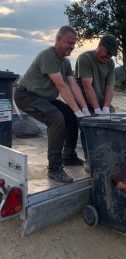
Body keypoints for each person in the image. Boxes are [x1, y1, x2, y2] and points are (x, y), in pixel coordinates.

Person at [14, 25, 91, 184]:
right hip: (26, 95)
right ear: (58, 39)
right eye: (69, 43)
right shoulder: (48, 55)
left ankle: (68, 156)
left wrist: (83, 109)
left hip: (44, 98)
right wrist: (78, 111)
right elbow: (61, 86)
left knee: (69, 115)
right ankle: (54, 168)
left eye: (74, 43)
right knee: (56, 118)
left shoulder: (65, 63)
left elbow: (73, 85)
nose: (72, 46)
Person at [75, 33, 118, 169]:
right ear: (100, 45)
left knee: (111, 126)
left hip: (100, 104)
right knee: (89, 130)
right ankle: (90, 161)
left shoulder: (110, 63)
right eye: (106, 53)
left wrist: (105, 108)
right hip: (85, 105)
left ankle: (107, 158)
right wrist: (97, 110)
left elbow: (110, 87)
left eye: (111, 55)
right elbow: (87, 86)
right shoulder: (85, 58)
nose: (107, 57)